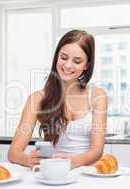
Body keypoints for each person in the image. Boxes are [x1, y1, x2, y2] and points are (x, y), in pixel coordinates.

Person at [8, 30, 107, 169]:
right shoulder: (37, 99)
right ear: (57, 57)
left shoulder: (97, 96)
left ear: (86, 65)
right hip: (53, 173)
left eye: (77, 61)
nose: (67, 65)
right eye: (64, 57)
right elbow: (13, 153)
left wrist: (72, 162)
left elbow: (97, 151)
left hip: (86, 175)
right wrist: (27, 160)